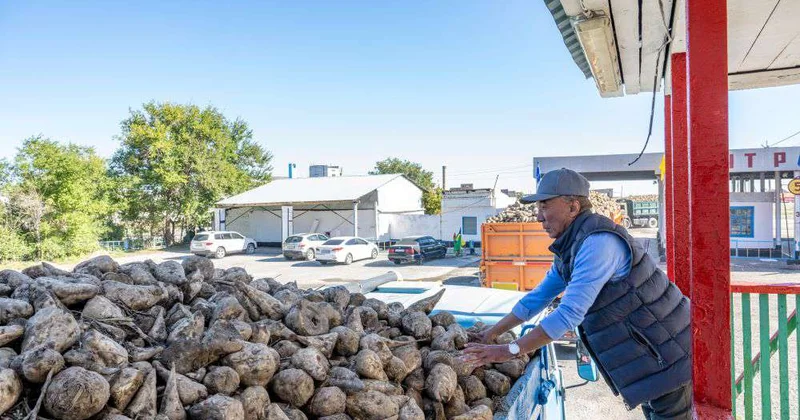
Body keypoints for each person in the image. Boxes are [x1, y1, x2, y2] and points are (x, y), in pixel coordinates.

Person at [462, 168, 692, 419]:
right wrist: (491, 333)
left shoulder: (599, 243)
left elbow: (568, 315)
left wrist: (509, 351)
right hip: (652, 363)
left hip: (668, 357)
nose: (539, 217)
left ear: (573, 207)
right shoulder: (571, 246)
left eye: (545, 206)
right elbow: (537, 299)